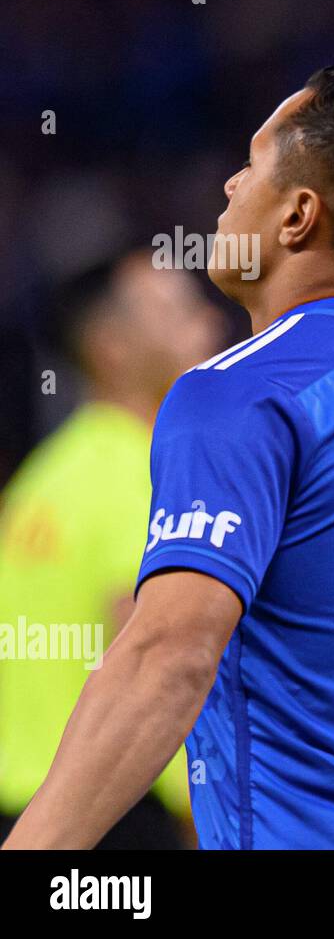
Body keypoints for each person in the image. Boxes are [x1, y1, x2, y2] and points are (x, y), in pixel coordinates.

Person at [4, 61, 334, 850]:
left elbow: (168, 657)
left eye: (250, 166)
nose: (227, 187)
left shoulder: (241, 393)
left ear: (297, 217)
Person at [0, 249, 222, 847]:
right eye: (177, 314)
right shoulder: (150, 471)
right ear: (111, 348)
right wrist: (197, 810)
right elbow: (157, 656)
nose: (209, 324)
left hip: (27, 813)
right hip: (116, 819)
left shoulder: (41, 480)